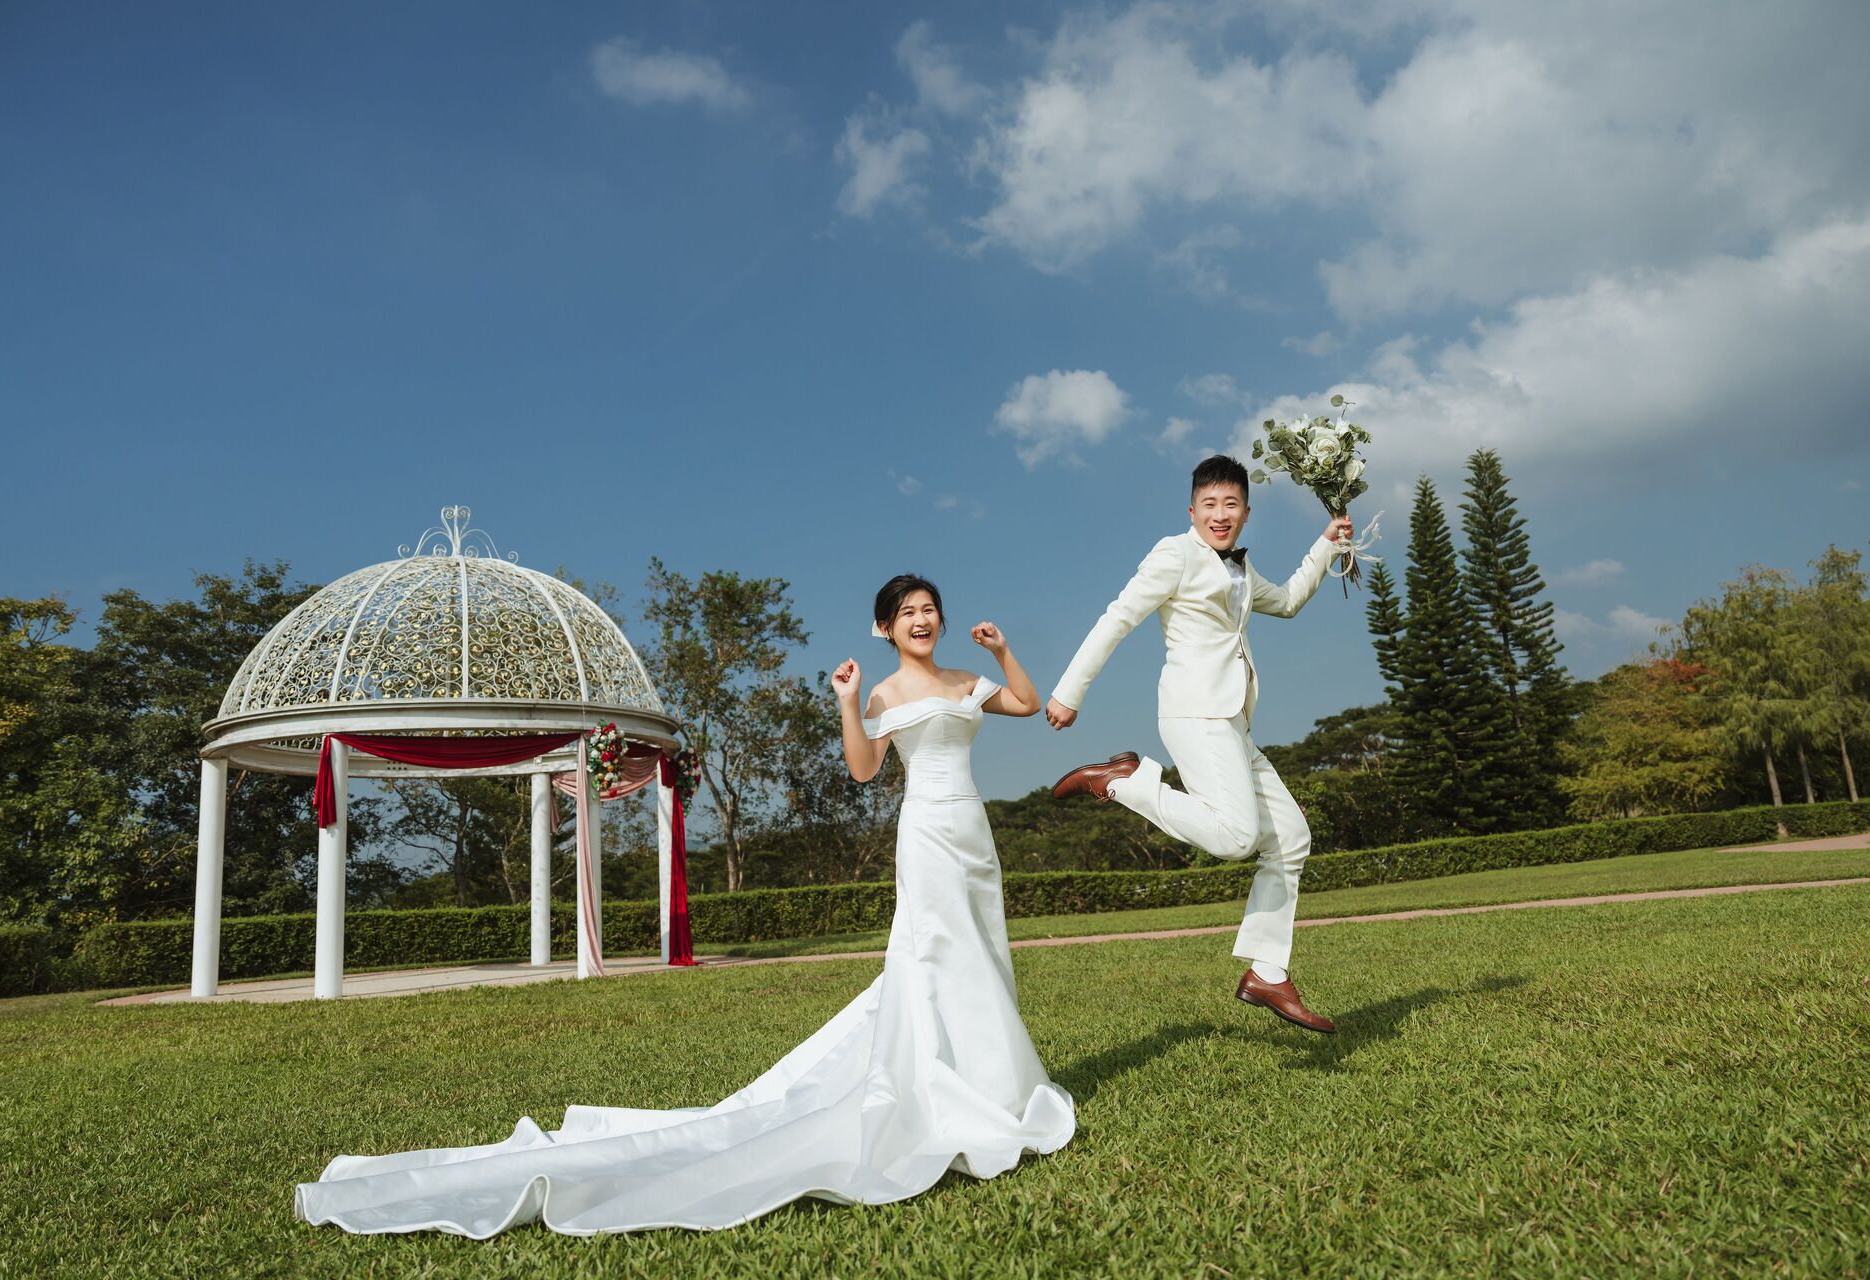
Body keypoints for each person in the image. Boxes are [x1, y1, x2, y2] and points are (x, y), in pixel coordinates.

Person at [293, 574, 1074, 1237]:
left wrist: (1001, 649)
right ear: (886, 628)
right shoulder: (887, 691)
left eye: (929, 609)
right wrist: (846, 700)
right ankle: (945, 1088)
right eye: (907, 612)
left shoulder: (963, 681)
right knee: (933, 949)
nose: (922, 619)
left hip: (973, 828)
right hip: (925, 831)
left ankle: (993, 1080)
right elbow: (865, 769)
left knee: (982, 944)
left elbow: (1026, 701)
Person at [1044, 455, 1351, 1033]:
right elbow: (1118, 618)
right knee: (1237, 838)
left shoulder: (1240, 568)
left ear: (1246, 513)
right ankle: (1124, 783)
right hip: (1194, 711)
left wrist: (1327, 544)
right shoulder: (1173, 554)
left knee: (1290, 838)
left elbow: (1287, 601)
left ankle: (1267, 972)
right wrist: (1069, 690)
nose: (1220, 514)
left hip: (1233, 718)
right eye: (1210, 504)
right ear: (1192, 511)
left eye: (1231, 504)